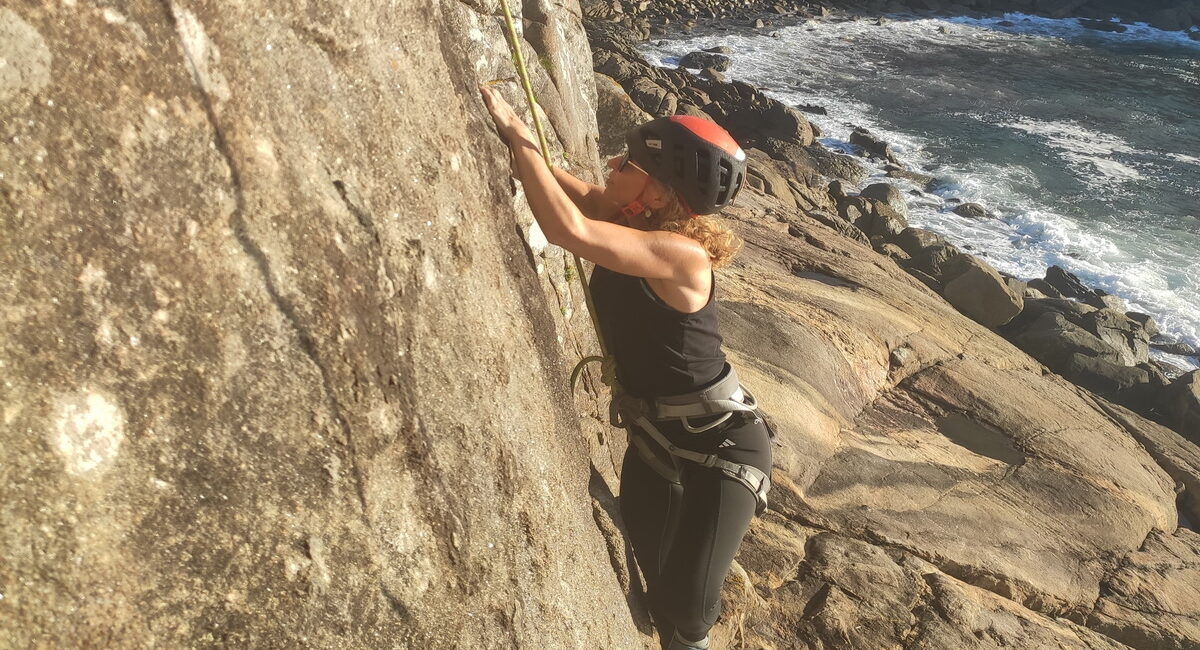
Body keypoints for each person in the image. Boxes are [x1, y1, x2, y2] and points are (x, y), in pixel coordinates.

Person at [481, 85, 773, 650]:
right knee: (653, 587)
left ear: (659, 190)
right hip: (655, 437)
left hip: (722, 450)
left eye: (628, 163)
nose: (612, 165)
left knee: (687, 615)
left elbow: (571, 230)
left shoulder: (682, 255)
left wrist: (523, 141)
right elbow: (588, 203)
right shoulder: (638, 225)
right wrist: (521, 143)